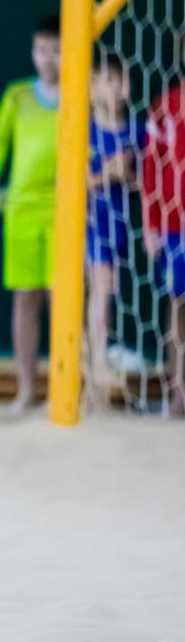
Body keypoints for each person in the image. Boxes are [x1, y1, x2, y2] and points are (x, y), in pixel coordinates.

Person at [0, 16, 61, 413]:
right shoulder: (18, 95)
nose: (49, 59)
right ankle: (25, 388)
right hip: (22, 210)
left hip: (66, 212)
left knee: (62, 300)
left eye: (57, 50)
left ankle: (63, 387)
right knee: (25, 299)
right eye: (42, 50)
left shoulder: (84, 93)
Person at [85, 55, 142, 405]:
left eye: (121, 81)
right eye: (108, 81)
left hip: (119, 227)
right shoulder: (83, 129)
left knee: (108, 294)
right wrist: (106, 172)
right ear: (90, 89)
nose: (116, 89)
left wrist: (128, 175)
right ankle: (95, 363)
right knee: (100, 288)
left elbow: (147, 183)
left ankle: (98, 362)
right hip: (89, 224)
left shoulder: (137, 131)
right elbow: (73, 182)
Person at [142, 34, 185, 417]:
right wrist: (150, 224)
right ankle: (178, 392)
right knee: (178, 308)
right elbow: (150, 169)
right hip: (174, 227)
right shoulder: (165, 105)